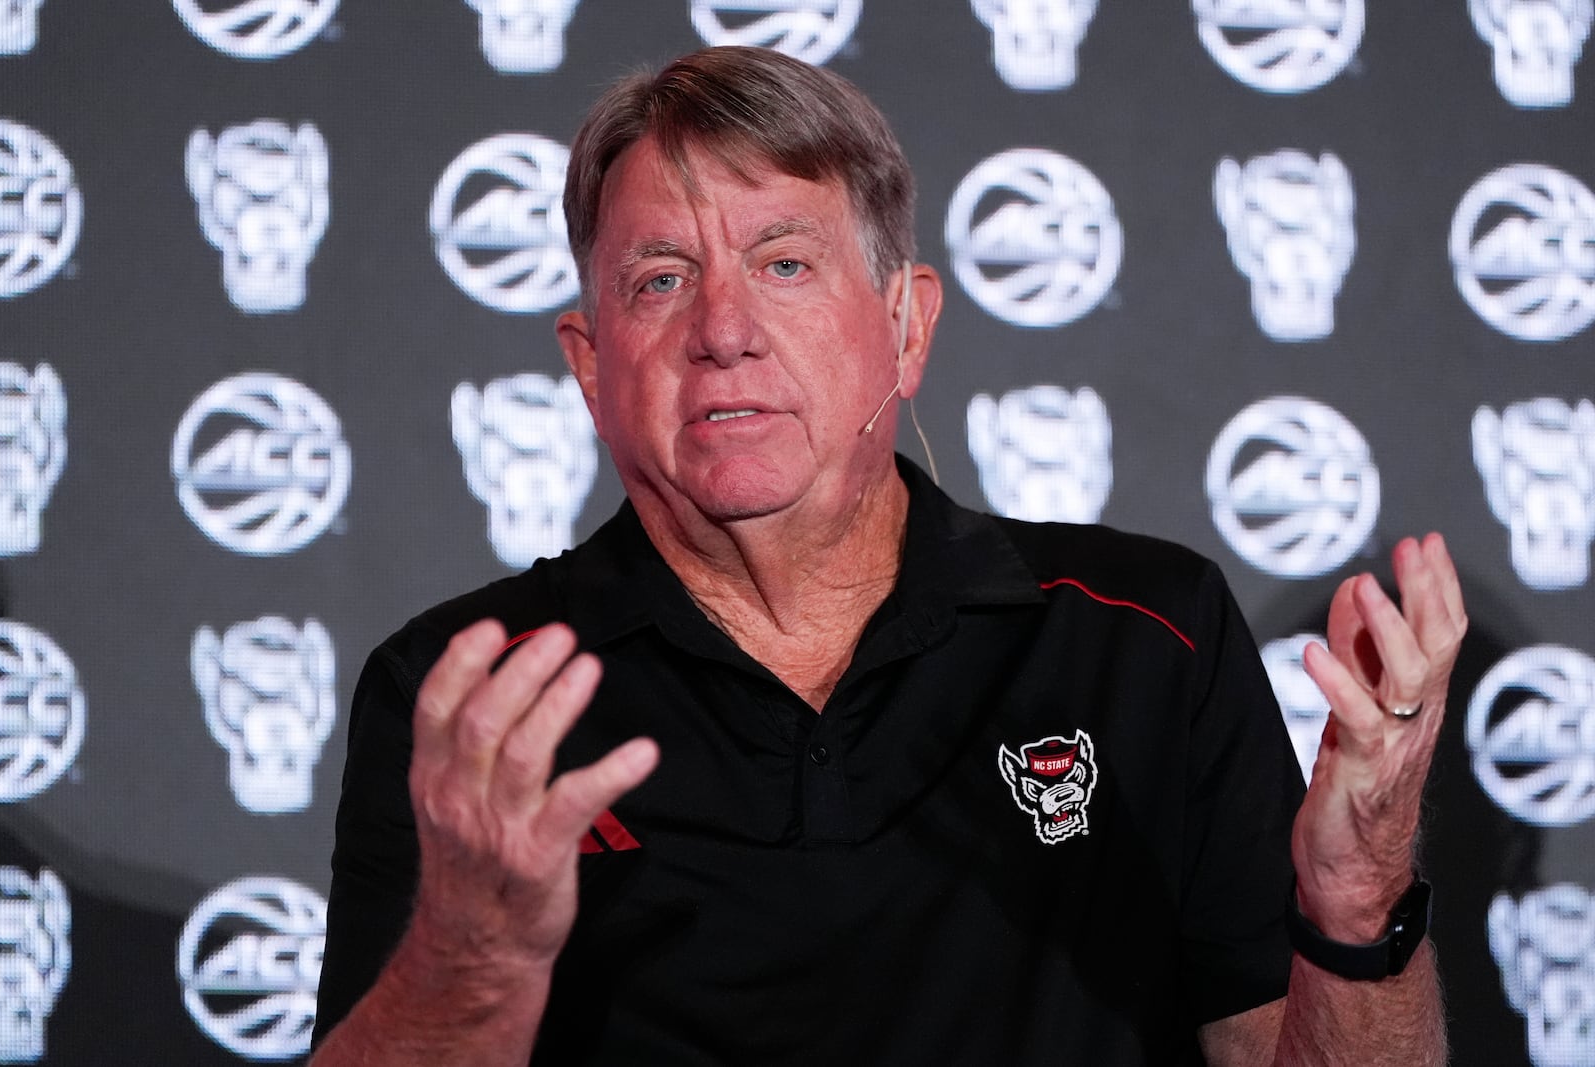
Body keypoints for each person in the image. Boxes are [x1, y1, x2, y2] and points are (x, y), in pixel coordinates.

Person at [310, 45, 1465, 1066]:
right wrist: (467, 958)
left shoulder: (1142, 640)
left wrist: (1358, 906)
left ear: (908, 327)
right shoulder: (471, 699)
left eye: (784, 263)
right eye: (660, 279)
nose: (721, 330)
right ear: (589, 363)